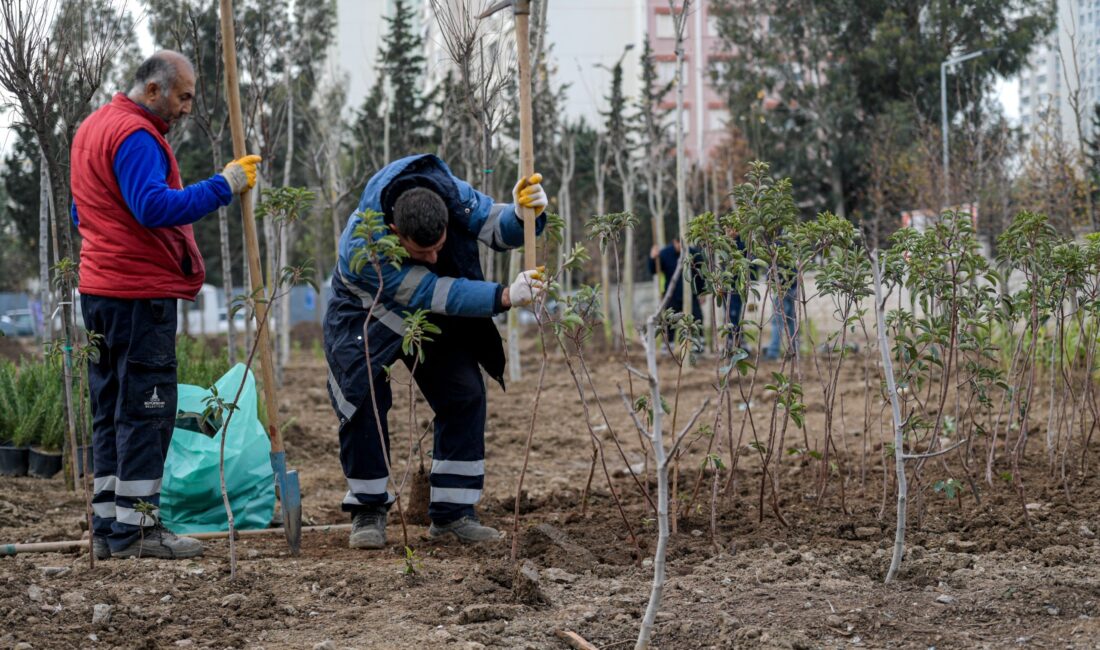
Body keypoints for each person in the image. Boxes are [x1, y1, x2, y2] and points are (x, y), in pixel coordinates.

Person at [71, 51, 261, 560]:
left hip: (101, 293)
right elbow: (152, 206)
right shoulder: (134, 135)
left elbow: (80, 208)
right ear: (153, 91)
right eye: (183, 97)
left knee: (111, 408)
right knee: (146, 409)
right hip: (137, 295)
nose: (185, 109)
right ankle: (139, 532)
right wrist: (225, 185)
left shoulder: (93, 128)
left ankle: (110, 527)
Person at [324, 154, 548, 549]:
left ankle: (453, 515)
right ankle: (368, 509)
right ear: (394, 231)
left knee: (464, 394)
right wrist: (505, 295)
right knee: (363, 399)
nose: (432, 259)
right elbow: (431, 290)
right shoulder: (366, 242)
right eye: (419, 252)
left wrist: (524, 212)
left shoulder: (452, 195)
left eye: (438, 248)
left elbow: (497, 228)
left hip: (429, 315)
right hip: (364, 313)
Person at [648, 238, 705, 321]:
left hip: (691, 294)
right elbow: (654, 270)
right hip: (672, 295)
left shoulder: (693, 253)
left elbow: (700, 274)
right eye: (678, 243)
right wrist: (653, 258)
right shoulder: (665, 254)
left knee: (697, 320)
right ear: (674, 241)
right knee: (669, 323)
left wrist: (702, 292)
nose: (680, 246)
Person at [763, 266, 798, 360]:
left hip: (780, 287)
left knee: (777, 322)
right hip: (793, 285)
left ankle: (773, 353)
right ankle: (794, 351)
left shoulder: (777, 253)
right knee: (791, 321)